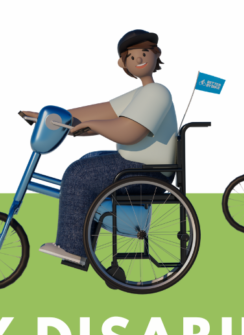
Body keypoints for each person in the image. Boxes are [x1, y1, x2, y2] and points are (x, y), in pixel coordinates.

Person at [21, 29, 177, 268]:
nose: (139, 59)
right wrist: (49, 116)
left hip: (149, 169)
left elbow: (130, 132)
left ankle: (72, 248)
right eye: (132, 56)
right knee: (89, 159)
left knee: (79, 173)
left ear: (156, 55)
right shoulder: (142, 93)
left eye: (144, 52)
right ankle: (84, 246)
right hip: (139, 163)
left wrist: (93, 125)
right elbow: (102, 111)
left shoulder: (157, 92)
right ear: (123, 63)